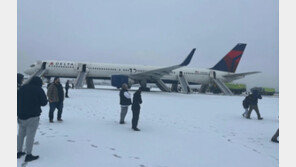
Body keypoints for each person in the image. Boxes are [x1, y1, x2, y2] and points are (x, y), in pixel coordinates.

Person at [17, 77, 48, 162]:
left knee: (20, 134)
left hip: (21, 115)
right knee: (30, 136)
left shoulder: (22, 88)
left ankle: (19, 152)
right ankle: (28, 154)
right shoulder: (39, 89)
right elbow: (44, 103)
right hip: (32, 116)